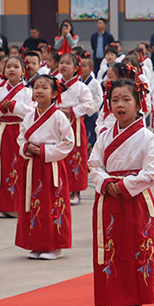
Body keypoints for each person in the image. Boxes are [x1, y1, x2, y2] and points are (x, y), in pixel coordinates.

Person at [89, 70, 154, 306]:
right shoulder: (104, 136)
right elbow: (94, 163)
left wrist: (124, 185)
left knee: (136, 249)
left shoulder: (147, 137)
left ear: (138, 103)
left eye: (126, 99)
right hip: (109, 199)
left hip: (135, 201)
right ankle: (117, 303)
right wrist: (106, 182)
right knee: (113, 250)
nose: (119, 105)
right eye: (114, 100)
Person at [16, 74, 74, 260]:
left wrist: (44, 151)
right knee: (34, 205)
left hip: (51, 167)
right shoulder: (29, 116)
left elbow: (68, 143)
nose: (39, 91)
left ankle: (54, 246)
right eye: (36, 87)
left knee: (52, 205)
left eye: (44, 87)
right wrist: (27, 148)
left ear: (55, 93)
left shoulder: (59, 117)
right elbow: (21, 137)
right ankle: (37, 244)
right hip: (33, 166)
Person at [0, 55, 30, 218]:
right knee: (2, 167)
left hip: (20, 132)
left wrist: (15, 106)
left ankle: (18, 205)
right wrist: (1, 109)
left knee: (19, 165)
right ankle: (3, 205)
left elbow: (33, 111)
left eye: (16, 67)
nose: (11, 69)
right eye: (8, 66)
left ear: (23, 71)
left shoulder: (28, 92)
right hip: (2, 133)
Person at [56, 53, 96, 204]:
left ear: (75, 69)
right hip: (58, 124)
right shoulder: (55, 85)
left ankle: (75, 191)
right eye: (61, 63)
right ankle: (61, 188)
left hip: (75, 125)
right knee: (60, 156)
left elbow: (88, 104)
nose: (63, 65)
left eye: (68, 63)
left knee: (76, 157)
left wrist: (71, 111)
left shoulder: (81, 87)